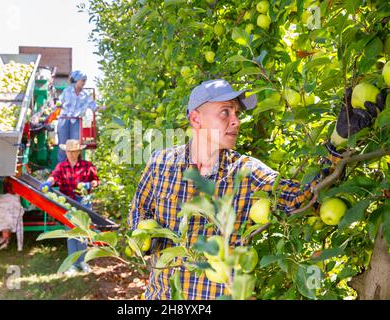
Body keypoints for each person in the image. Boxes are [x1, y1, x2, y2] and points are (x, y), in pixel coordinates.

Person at [128, 79, 385, 300]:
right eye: (225, 112)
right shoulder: (161, 163)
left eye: (237, 113)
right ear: (196, 118)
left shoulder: (247, 171)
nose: (236, 121)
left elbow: (302, 199)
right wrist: (144, 240)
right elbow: (139, 211)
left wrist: (338, 140)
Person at [40, 139, 100, 276]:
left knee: (83, 233)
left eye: (74, 151)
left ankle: (83, 261)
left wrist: (89, 185)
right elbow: (53, 176)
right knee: (71, 232)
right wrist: (47, 183)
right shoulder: (61, 166)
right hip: (68, 202)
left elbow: (96, 181)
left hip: (84, 201)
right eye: (69, 152)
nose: (72, 154)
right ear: (65, 152)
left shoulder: (87, 165)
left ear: (79, 151)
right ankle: (73, 264)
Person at [56, 70, 98, 163]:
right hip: (64, 120)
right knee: (63, 145)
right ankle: (61, 169)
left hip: (76, 121)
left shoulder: (85, 95)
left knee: (75, 146)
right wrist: (58, 104)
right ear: (77, 80)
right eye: (82, 80)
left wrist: (107, 107)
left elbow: (94, 107)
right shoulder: (67, 91)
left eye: (85, 81)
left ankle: (75, 169)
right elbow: (59, 102)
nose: (84, 83)